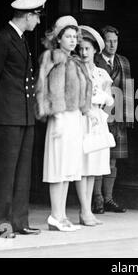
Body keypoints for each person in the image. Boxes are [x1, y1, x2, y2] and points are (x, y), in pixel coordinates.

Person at [0, 0, 46, 238]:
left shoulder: (19, 38)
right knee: (5, 171)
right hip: (7, 114)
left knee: (21, 172)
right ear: (28, 15)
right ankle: (3, 222)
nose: (38, 22)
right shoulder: (3, 38)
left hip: (23, 114)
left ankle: (20, 220)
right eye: (37, 17)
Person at [35, 15, 91, 231]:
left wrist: (87, 111)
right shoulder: (52, 57)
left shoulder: (74, 61)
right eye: (68, 36)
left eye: (74, 36)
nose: (73, 40)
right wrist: (56, 116)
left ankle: (61, 215)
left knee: (68, 168)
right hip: (61, 117)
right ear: (58, 38)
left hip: (74, 117)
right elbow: (46, 86)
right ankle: (55, 215)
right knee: (58, 167)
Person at [93, 25, 134, 214]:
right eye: (108, 40)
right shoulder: (94, 61)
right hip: (99, 117)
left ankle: (109, 198)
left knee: (112, 160)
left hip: (118, 118)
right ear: (102, 42)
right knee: (97, 158)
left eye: (115, 41)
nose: (112, 44)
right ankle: (97, 199)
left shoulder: (123, 62)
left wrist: (127, 116)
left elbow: (128, 91)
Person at [75, 25, 113, 226]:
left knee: (93, 168)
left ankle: (88, 209)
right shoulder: (76, 71)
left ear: (95, 50)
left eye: (87, 49)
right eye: (80, 49)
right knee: (83, 166)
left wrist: (103, 117)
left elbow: (110, 101)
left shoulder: (102, 74)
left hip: (98, 120)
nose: (83, 53)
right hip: (83, 119)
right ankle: (84, 210)